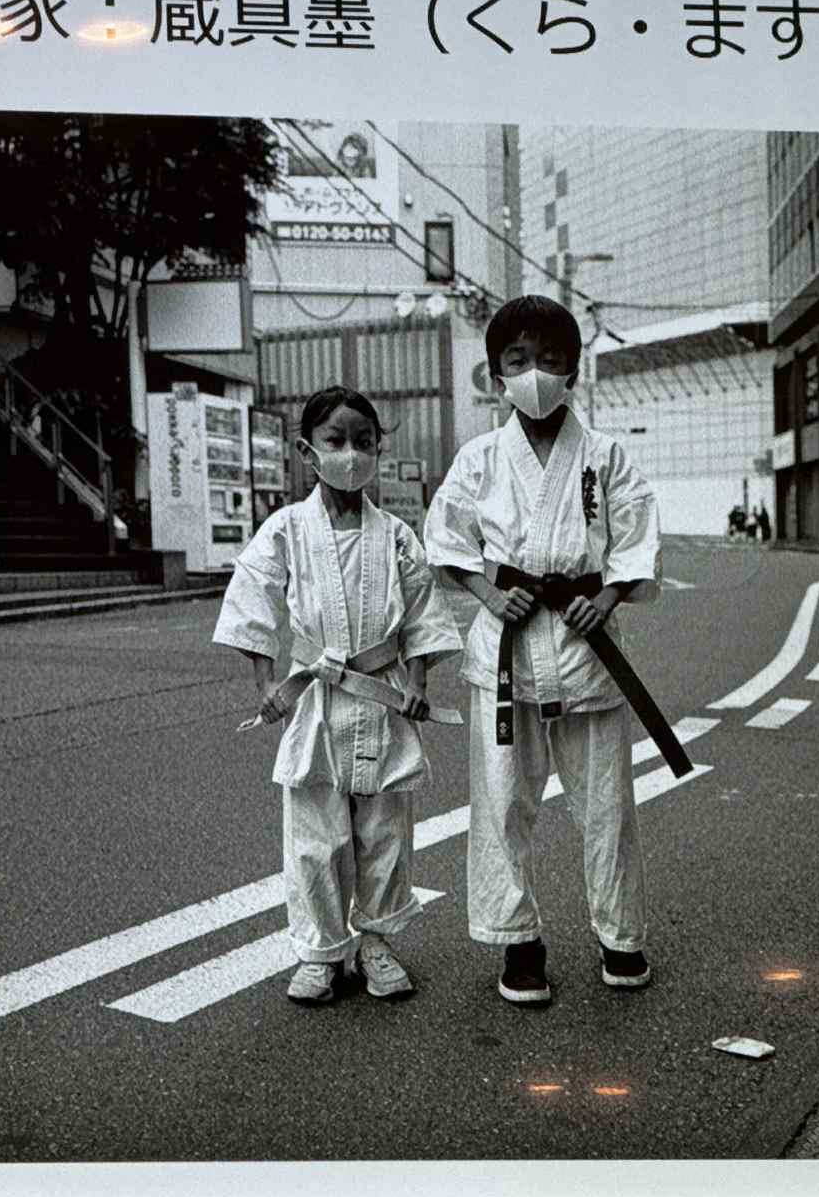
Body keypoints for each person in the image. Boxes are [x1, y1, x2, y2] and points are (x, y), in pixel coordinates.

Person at [423, 295, 663, 1006]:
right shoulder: (478, 459)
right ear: (497, 373)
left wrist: (607, 598)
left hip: (587, 645)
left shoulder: (606, 455)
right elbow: (447, 542)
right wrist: (489, 594)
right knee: (502, 804)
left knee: (608, 807)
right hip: (508, 646)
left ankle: (621, 936)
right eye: (519, 360)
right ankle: (517, 940)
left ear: (573, 372)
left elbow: (637, 540)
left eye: (550, 360)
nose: (535, 373)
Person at [213, 385, 465, 1005]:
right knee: (315, 835)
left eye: (363, 441)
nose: (351, 454)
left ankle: (376, 941)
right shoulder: (286, 529)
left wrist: (418, 681)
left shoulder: (397, 535)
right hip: (317, 695)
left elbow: (422, 612)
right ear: (308, 451)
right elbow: (253, 598)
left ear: (378, 449)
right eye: (336, 441)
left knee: (384, 832)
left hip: (381, 695)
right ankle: (321, 952)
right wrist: (266, 684)